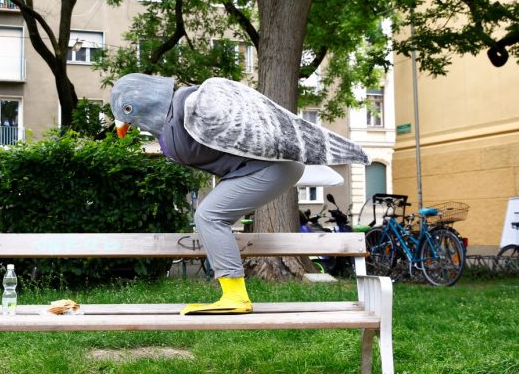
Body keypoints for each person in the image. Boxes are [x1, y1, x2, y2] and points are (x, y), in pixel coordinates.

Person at [109, 73, 367, 315]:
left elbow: (268, 129)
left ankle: (235, 297)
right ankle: (233, 294)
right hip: (258, 169)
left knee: (208, 216)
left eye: (128, 111)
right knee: (209, 214)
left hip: (274, 167)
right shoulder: (172, 123)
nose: (126, 124)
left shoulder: (194, 104)